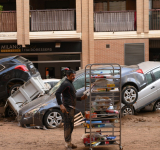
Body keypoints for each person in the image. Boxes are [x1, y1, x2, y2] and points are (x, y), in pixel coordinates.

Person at [55, 69, 87, 150]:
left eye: (74, 75)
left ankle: (69, 142)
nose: (74, 77)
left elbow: (72, 97)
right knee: (68, 125)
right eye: (72, 76)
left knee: (71, 126)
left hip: (71, 108)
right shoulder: (66, 83)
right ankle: (67, 144)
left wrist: (81, 98)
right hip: (67, 108)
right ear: (67, 76)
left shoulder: (70, 84)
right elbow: (57, 93)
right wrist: (61, 105)